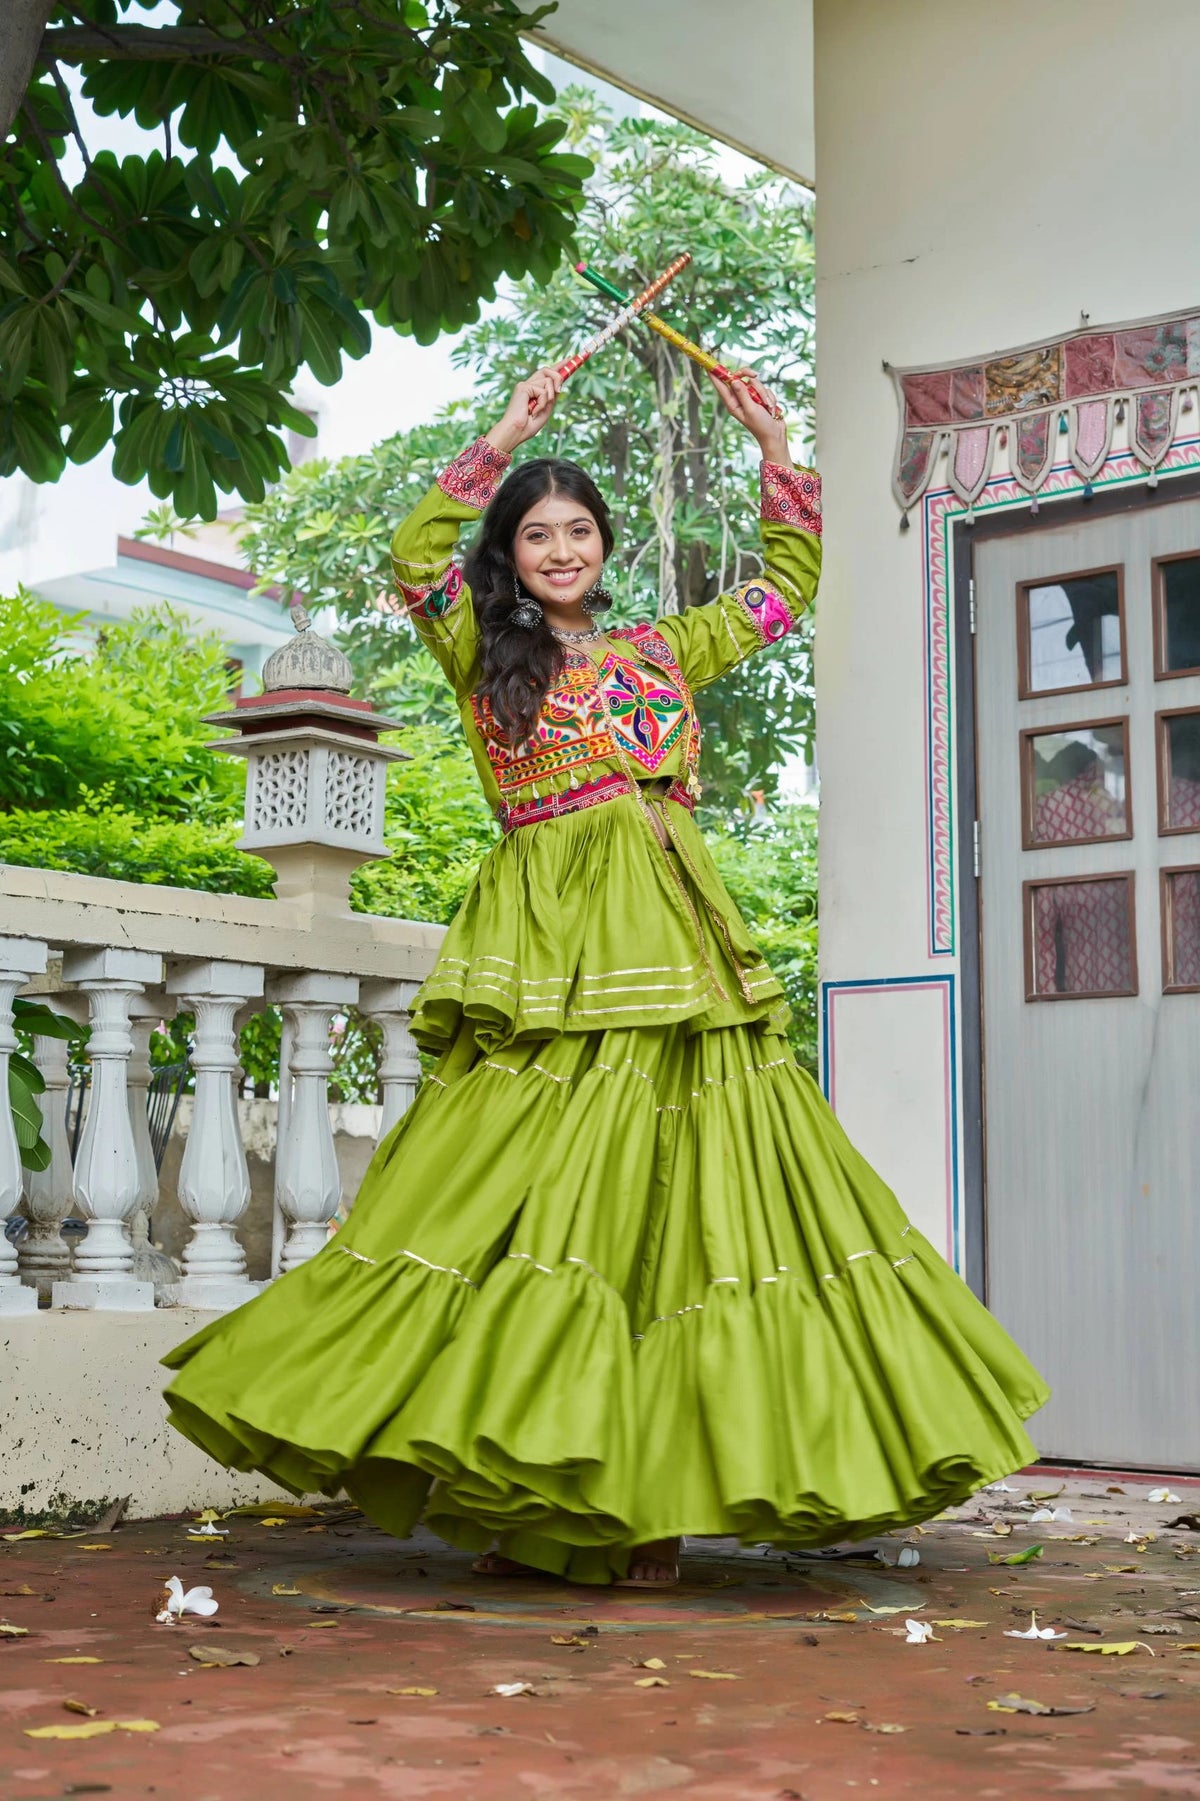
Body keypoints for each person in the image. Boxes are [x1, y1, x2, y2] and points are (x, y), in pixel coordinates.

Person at [163, 365, 1048, 1586]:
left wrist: (775, 442)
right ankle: (531, 1491)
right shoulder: (480, 647)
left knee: (691, 1211)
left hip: (679, 939)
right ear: (512, 556)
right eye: (537, 533)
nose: (562, 548)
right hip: (553, 944)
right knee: (533, 1202)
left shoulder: (661, 648)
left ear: (605, 545)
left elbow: (788, 587)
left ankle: (651, 1507)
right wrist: (506, 432)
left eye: (579, 530)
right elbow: (415, 553)